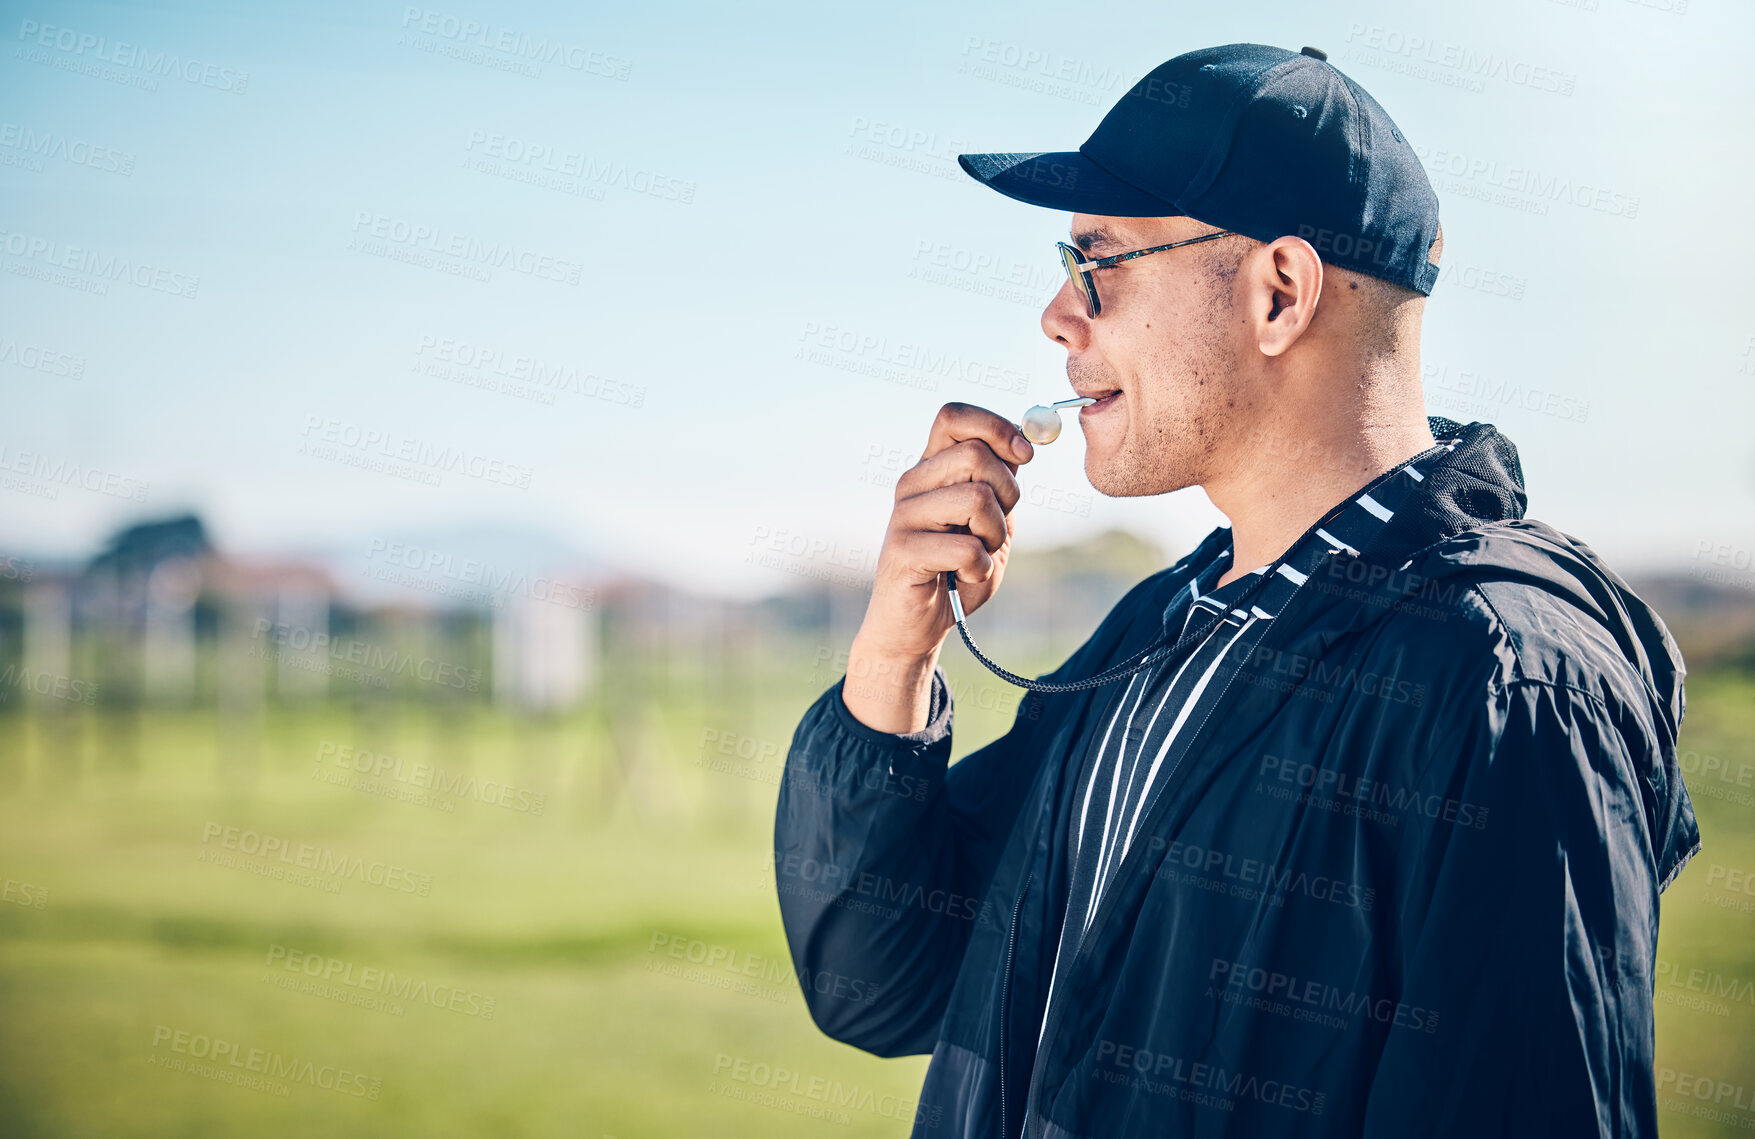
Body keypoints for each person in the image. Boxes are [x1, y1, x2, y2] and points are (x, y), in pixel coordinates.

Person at [773, 42, 1699, 1138]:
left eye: (1095, 262)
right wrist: (893, 660)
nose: (1056, 317)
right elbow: (886, 985)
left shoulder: (1502, 683)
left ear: (1279, 292)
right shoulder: (1164, 627)